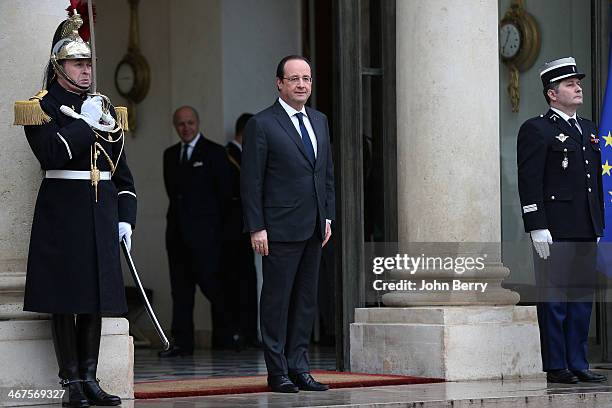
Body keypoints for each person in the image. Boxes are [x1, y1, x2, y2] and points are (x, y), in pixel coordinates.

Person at [14, 8, 136, 408]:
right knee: (66, 300)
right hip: (63, 213)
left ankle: (91, 376)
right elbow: (51, 154)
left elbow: (121, 171)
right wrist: (83, 125)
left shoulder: (102, 106)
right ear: (58, 66)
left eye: (88, 63)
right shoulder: (40, 106)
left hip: (100, 214)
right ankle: (71, 383)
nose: (86, 70)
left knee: (96, 300)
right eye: (77, 63)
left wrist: (125, 218)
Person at [241, 55, 335, 393]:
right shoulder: (262, 124)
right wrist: (256, 226)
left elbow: (325, 173)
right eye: (294, 79)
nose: (301, 85)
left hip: (313, 228)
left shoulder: (320, 121)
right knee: (277, 302)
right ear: (279, 83)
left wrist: (327, 216)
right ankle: (277, 370)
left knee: (305, 302)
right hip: (277, 228)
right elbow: (251, 181)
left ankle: (300, 367)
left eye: (306, 79)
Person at [517, 57, 606, 384]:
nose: (578, 87)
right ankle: (557, 366)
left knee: (581, 301)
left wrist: (598, 223)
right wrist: (536, 226)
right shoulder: (536, 129)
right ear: (552, 94)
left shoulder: (588, 128)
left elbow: (593, 181)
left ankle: (578, 362)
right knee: (555, 301)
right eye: (570, 84)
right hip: (554, 229)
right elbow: (530, 180)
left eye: (578, 83)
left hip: (584, 227)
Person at [161, 106, 231, 357]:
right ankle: (181, 343)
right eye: (181, 124)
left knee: (213, 286)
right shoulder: (170, 155)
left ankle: (227, 337)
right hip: (177, 236)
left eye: (190, 123)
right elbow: (173, 193)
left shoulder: (214, 152)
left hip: (207, 238)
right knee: (180, 291)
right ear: (175, 126)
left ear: (198, 123)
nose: (186, 128)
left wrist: (215, 233)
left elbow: (224, 196)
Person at [219, 113, 258, 349]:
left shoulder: (248, 156)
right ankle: (236, 333)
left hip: (247, 228)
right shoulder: (226, 155)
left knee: (248, 282)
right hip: (231, 229)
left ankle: (250, 332)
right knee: (234, 282)